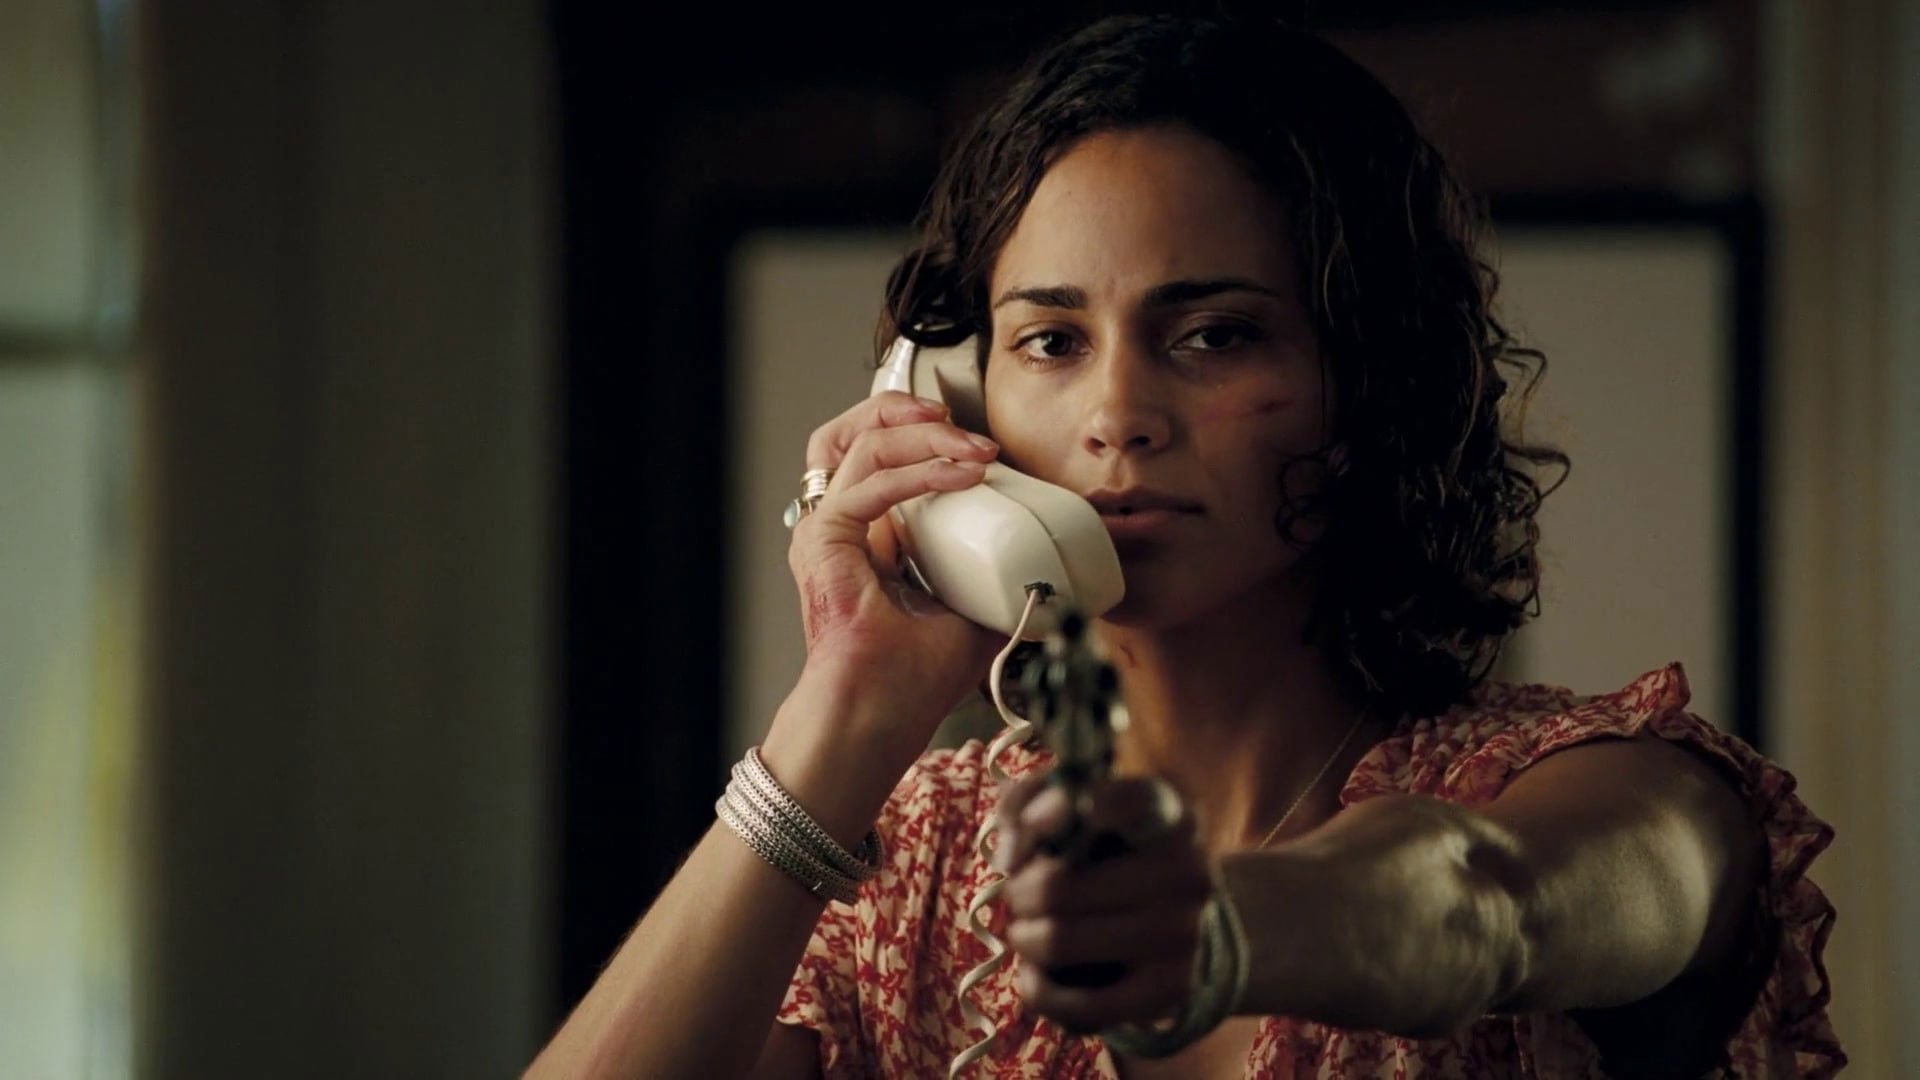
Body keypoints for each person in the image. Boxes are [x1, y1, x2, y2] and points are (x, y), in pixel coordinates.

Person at [526, 14, 1842, 1079]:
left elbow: (1484, 903)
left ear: (1367, 379)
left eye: (1214, 334)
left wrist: (1212, 931)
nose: (1118, 416)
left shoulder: (1613, 787)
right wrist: (842, 712)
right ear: (957, 400)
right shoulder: (923, 857)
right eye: (1051, 341)